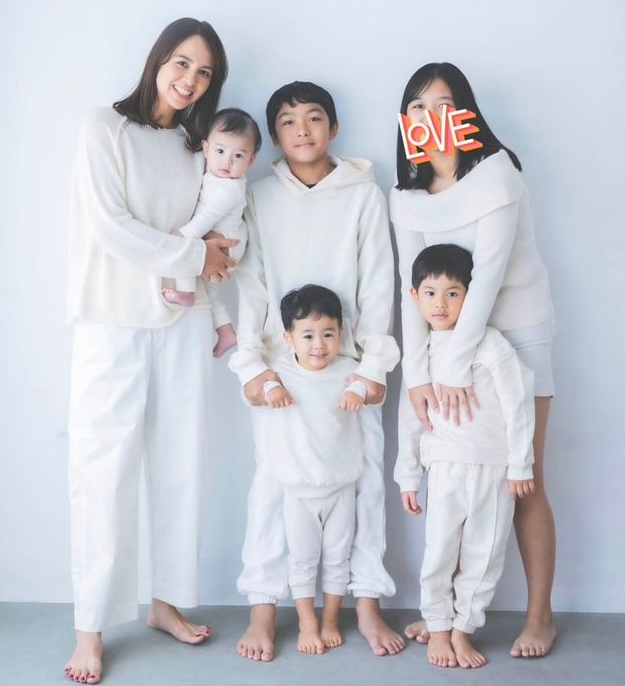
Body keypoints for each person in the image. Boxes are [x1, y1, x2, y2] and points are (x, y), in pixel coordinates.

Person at [64, 18, 243, 685]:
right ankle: (90, 627)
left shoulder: (198, 147)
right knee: (102, 470)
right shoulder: (102, 128)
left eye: (204, 72)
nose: (190, 79)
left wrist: (214, 262)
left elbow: (216, 229)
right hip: (111, 321)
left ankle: (166, 602)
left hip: (183, 320)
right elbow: (112, 227)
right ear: (158, 59)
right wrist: (197, 256)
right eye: (182, 62)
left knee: (180, 464)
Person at [229, 81, 403, 661]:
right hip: (281, 371)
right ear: (274, 135)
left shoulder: (363, 195)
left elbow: (377, 282)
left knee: (365, 484)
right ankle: (262, 608)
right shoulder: (259, 196)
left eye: (313, 118)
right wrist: (252, 367)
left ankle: (367, 604)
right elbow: (251, 283)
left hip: (348, 368)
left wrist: (373, 366)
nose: (301, 130)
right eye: (287, 121)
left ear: (333, 126)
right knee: (271, 487)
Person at [390, 62, 556, 659]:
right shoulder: (405, 195)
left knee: (523, 475)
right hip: (445, 343)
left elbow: (486, 276)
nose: (429, 115)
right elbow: (412, 290)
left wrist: (456, 365)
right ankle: (447, 615)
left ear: (464, 112)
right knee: (453, 478)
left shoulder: (496, 172)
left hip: (514, 331)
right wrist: (419, 376)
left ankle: (540, 617)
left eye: (442, 104)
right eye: (417, 106)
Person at [395, 244, 535, 669]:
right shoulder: (420, 354)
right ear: (415, 296)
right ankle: (438, 626)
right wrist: (407, 477)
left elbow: (518, 402)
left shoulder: (488, 343)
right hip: (445, 467)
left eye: (453, 293)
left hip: (494, 469)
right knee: (439, 552)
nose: (440, 303)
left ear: (470, 297)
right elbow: (410, 417)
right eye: (430, 292)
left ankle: (462, 630)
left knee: (484, 555)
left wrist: (520, 464)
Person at [259, 284, 371, 655]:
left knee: (338, 558)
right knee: (303, 560)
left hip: (341, 486)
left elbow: (371, 386)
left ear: (341, 332)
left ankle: (331, 620)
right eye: (308, 335)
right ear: (289, 338)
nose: (319, 345)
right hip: (299, 490)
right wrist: (272, 388)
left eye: (328, 334)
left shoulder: (349, 370)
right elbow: (260, 382)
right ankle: (307, 622)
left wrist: (358, 390)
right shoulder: (281, 371)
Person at [161, 107, 261, 358]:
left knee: (187, 252)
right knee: (211, 292)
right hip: (227, 237)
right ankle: (226, 331)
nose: (227, 162)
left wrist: (181, 237)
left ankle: (186, 292)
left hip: (227, 243)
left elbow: (207, 219)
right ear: (205, 148)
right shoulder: (216, 177)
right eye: (220, 151)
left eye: (238, 155)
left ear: (251, 160)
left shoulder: (229, 189)